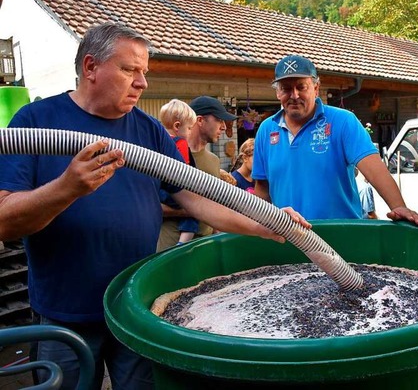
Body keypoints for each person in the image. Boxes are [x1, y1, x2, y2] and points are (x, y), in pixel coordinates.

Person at [0, 22, 309, 390]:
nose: (142, 82)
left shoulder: (148, 132)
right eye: (130, 69)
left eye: (144, 71)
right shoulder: (36, 122)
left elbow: (196, 197)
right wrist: (66, 188)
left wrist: (265, 223)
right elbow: (5, 221)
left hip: (134, 305)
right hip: (62, 318)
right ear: (90, 68)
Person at [252, 54, 418, 225]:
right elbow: (263, 188)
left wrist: (398, 206)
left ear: (316, 88)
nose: (294, 95)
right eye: (286, 89)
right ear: (277, 92)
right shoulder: (267, 130)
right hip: (289, 238)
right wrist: (256, 226)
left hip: (341, 235)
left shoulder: (342, 122)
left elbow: (374, 170)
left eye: (301, 87)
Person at [156, 95, 238, 249]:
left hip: (205, 248)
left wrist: (219, 240)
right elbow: (150, 205)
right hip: (170, 251)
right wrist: (194, 209)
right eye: (219, 120)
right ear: (200, 121)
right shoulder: (165, 155)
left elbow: (216, 205)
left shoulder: (214, 160)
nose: (224, 127)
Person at [158, 99, 199, 245]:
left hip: (160, 190)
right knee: (194, 211)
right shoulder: (180, 143)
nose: (189, 132)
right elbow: (184, 173)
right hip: (172, 191)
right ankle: (183, 242)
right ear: (177, 126)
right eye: (189, 128)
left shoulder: (158, 140)